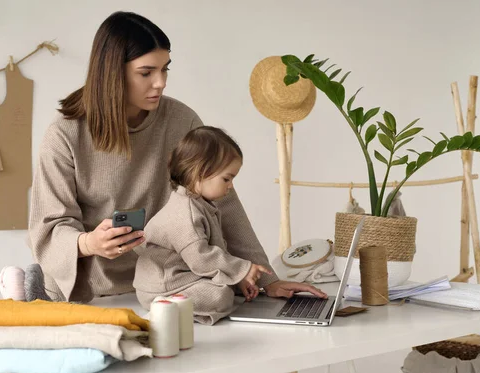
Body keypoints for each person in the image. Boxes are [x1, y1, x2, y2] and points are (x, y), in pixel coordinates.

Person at [28, 11, 326, 305]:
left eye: (165, 69)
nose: (161, 82)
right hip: (93, 294)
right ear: (111, 72)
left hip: (168, 282)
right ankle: (29, 286)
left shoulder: (181, 120)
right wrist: (88, 242)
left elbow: (222, 203)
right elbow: (49, 227)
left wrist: (267, 279)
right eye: (146, 72)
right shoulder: (65, 134)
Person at [135, 126, 285, 324]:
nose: (230, 186)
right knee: (221, 296)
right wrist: (242, 269)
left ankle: (178, 305)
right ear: (199, 173)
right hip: (163, 286)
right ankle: (164, 308)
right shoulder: (185, 213)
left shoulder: (199, 204)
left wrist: (238, 277)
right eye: (226, 178)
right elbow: (201, 258)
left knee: (228, 288)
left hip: (183, 277)